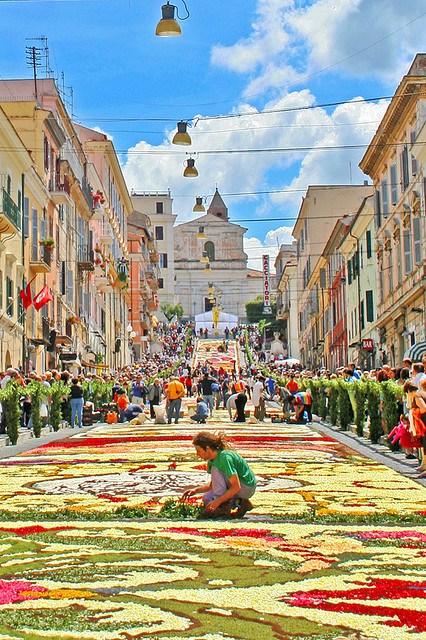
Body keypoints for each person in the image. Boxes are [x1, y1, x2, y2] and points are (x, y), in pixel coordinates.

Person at [181, 431, 257, 518]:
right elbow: (213, 485)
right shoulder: (212, 460)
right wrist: (195, 490)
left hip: (247, 487)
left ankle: (224, 506)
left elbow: (236, 487)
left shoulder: (224, 458)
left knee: (215, 470)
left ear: (207, 448)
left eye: (198, 450)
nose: (197, 454)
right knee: (207, 498)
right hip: (239, 487)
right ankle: (240, 502)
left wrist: (218, 501)